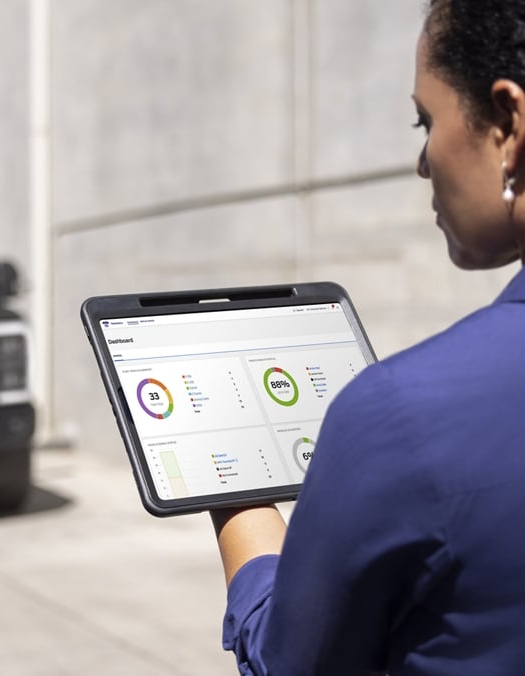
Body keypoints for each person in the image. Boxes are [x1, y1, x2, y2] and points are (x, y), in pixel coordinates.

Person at [212, 1, 525, 673]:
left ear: (508, 123)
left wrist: (230, 487)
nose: (423, 162)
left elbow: (290, 662)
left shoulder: (401, 416)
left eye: (426, 122)